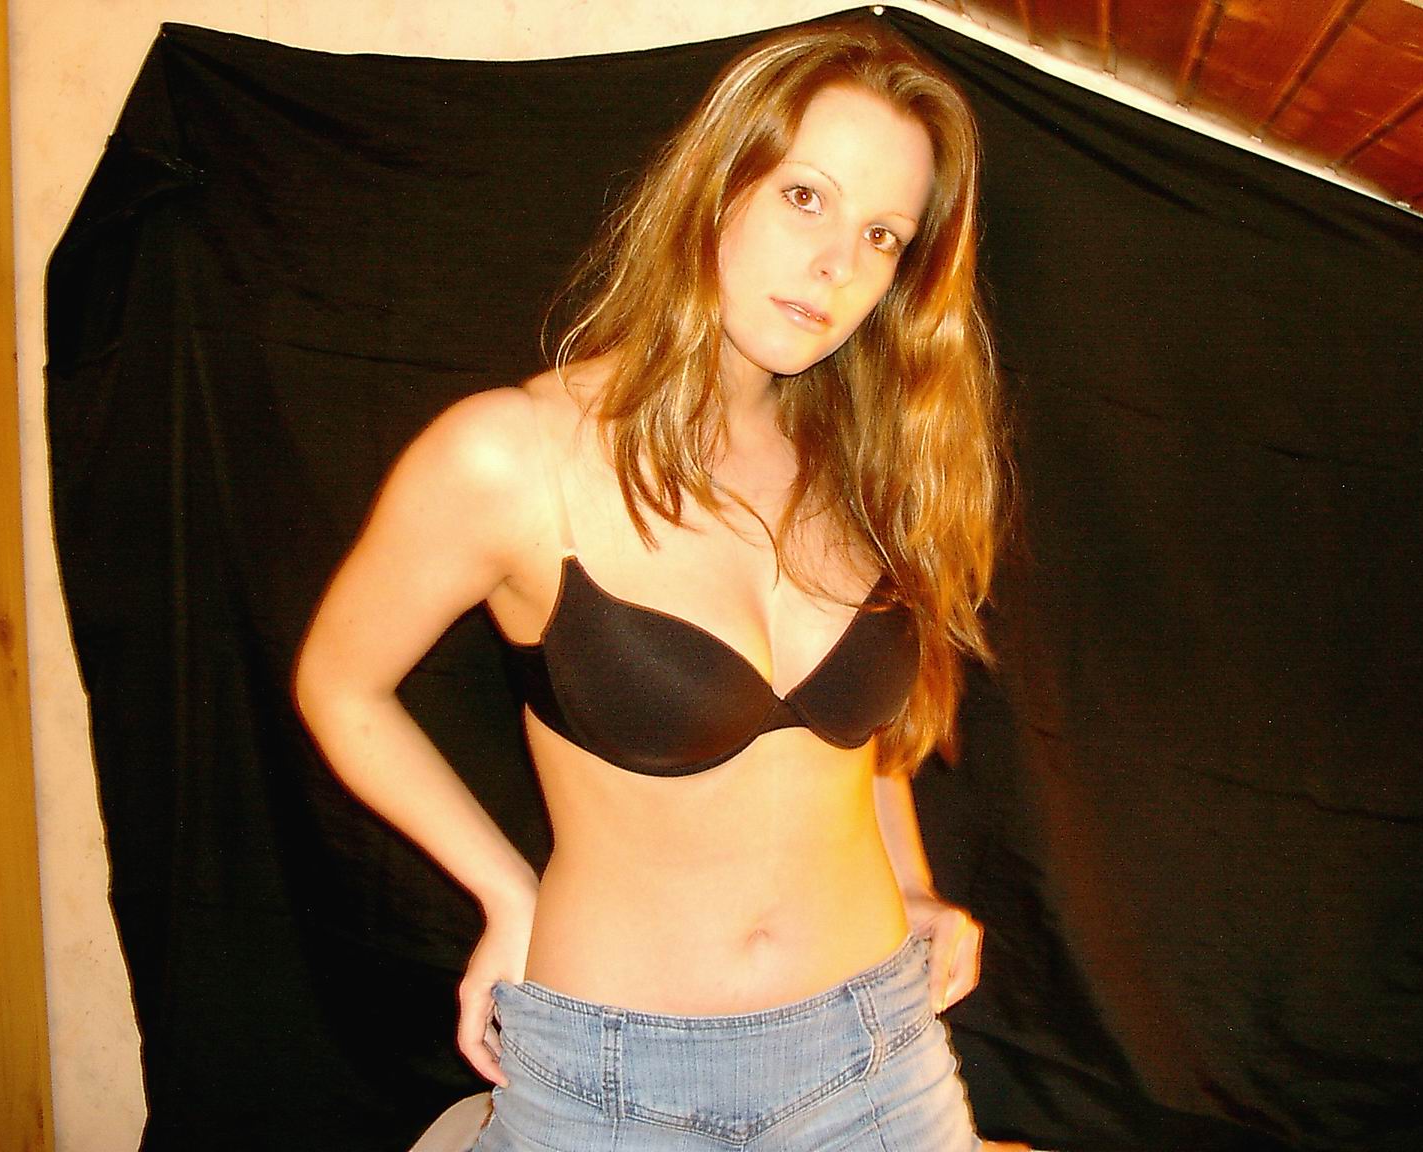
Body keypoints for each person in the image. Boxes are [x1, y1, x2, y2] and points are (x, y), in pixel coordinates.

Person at [294, 18, 1012, 1151]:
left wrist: (914, 881)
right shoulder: (514, 456)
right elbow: (340, 683)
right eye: (807, 198)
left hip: (878, 1053)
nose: (838, 266)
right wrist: (505, 891)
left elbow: (858, 743)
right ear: (717, 186)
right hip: (613, 1080)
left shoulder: (865, 465)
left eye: (883, 235)